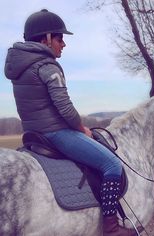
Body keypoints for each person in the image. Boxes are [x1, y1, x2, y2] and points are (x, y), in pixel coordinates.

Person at [4, 9, 142, 236]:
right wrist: (81, 128)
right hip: (56, 133)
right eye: (60, 38)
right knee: (112, 166)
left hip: (32, 134)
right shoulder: (47, 65)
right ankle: (112, 227)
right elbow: (65, 108)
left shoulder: (19, 66)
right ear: (46, 38)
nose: (63, 45)